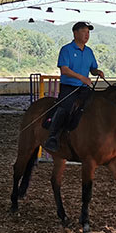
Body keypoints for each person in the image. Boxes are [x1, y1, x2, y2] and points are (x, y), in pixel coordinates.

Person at [43, 22, 105, 153]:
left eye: (88, 32)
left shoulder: (89, 51)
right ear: (75, 33)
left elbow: (92, 68)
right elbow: (64, 70)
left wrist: (97, 72)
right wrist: (81, 77)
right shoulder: (66, 49)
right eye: (84, 32)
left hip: (84, 88)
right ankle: (53, 137)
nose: (87, 35)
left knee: (95, 106)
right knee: (65, 107)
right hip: (69, 87)